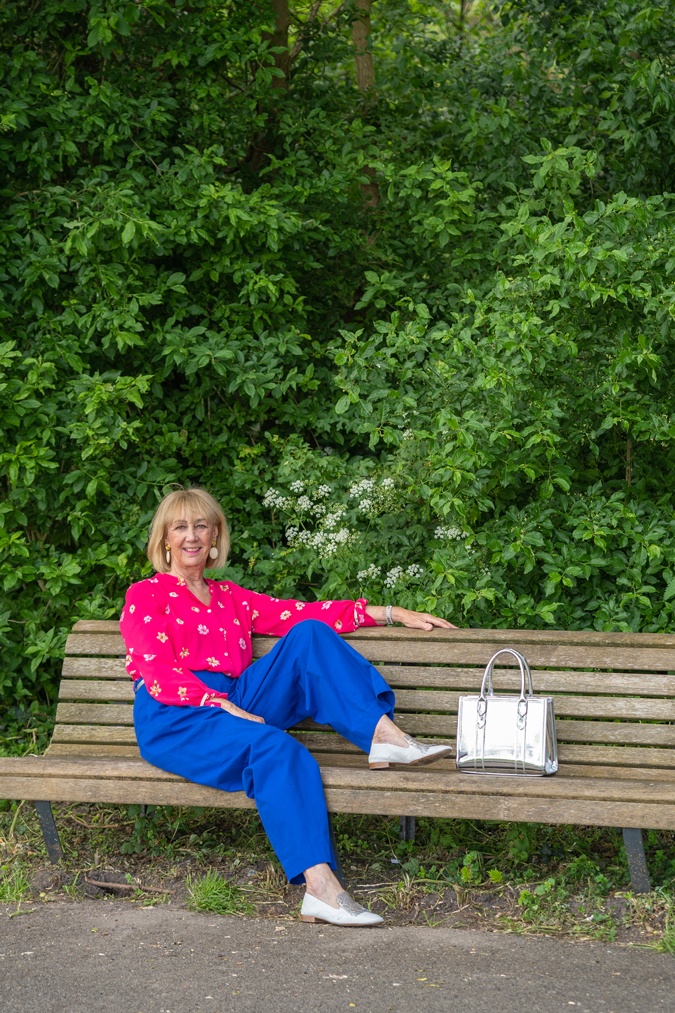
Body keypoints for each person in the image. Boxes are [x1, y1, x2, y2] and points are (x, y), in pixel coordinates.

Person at [120, 488, 455, 927]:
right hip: (176, 714)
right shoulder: (147, 594)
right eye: (180, 527)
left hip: (232, 699)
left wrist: (391, 612)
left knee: (310, 635)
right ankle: (320, 889)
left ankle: (383, 736)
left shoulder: (229, 596)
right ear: (164, 539)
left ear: (216, 534)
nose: (192, 536)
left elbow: (301, 612)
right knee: (278, 749)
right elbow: (154, 667)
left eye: (201, 525)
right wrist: (214, 700)